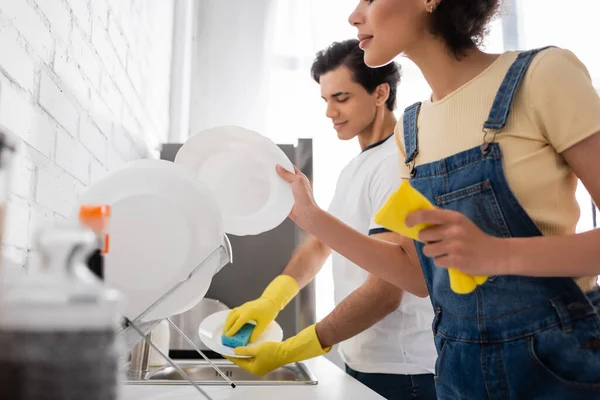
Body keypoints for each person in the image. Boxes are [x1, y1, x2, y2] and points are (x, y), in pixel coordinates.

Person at [273, 1, 600, 399]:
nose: (354, 15)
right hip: (458, 369)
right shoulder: (411, 129)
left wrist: (499, 254)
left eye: (370, 0)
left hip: (558, 365)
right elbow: (414, 274)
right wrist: (311, 216)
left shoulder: (543, 75)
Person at [224, 39, 438, 399]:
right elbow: (322, 243)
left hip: (405, 374)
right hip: (365, 359)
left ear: (380, 93)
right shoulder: (356, 167)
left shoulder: (394, 165)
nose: (330, 112)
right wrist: (271, 300)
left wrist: (294, 349)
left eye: (341, 98)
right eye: (325, 100)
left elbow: (387, 291)